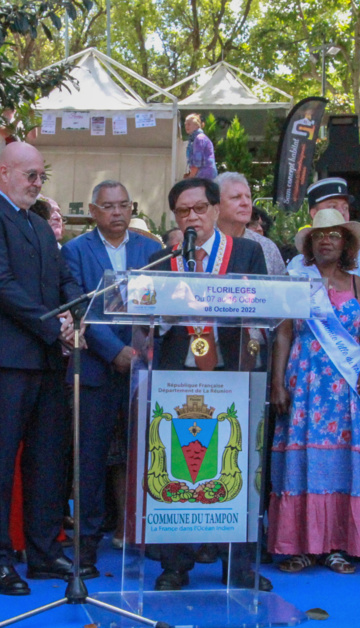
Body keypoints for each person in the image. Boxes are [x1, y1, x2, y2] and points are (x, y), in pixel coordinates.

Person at [0, 142, 83, 596]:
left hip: (48, 360)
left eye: (40, 176)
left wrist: (75, 309)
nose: (36, 183)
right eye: (29, 174)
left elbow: (62, 278)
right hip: (5, 361)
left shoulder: (38, 224)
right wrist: (53, 324)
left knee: (47, 461)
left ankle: (41, 551)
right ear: (5, 172)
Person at [148, 177, 272, 592]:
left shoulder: (247, 252)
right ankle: (174, 564)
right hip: (177, 375)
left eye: (200, 208)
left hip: (231, 371)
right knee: (177, 465)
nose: (193, 217)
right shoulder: (162, 259)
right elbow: (148, 321)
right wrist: (166, 311)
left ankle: (237, 566)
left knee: (234, 463)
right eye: (184, 211)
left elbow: (262, 308)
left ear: (216, 210)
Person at [271, 208, 360, 575]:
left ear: (346, 243)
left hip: (346, 388)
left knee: (341, 463)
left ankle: (338, 544)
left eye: (334, 235)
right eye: (320, 235)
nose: (326, 240)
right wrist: (277, 382)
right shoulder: (297, 280)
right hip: (304, 382)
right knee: (302, 462)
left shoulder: (358, 285)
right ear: (310, 244)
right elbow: (285, 332)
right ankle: (300, 545)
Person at [61, 180, 162, 572]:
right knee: (89, 462)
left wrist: (140, 350)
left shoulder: (150, 250)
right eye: (108, 206)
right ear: (93, 210)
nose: (117, 213)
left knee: (146, 456)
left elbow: (160, 303)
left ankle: (147, 538)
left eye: (123, 205)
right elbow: (80, 307)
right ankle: (85, 551)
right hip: (96, 370)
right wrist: (114, 351)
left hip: (143, 370)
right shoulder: (74, 251)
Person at [288, 178, 360, 293]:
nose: (342, 212)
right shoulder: (297, 265)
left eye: (345, 207)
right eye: (333, 207)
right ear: (314, 214)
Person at [215, 172, 286, 275]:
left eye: (248, 197)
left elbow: (280, 289)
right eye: (236, 197)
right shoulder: (203, 242)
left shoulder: (267, 247)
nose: (246, 203)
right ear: (216, 204)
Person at [184, 113, 217, 180]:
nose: (186, 126)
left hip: (205, 176)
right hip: (206, 175)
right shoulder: (196, 139)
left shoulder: (199, 139)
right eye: (185, 124)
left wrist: (190, 178)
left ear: (197, 125)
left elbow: (197, 163)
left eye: (189, 124)